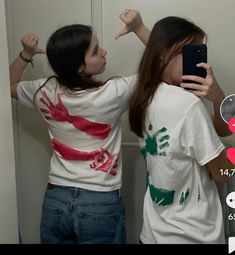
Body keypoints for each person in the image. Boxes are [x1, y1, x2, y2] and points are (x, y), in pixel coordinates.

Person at [9, 9, 150, 244]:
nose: (104, 52)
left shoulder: (44, 90)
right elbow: (165, 63)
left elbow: (8, 85)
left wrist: (26, 54)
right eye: (96, 51)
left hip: (56, 199)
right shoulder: (113, 93)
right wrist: (139, 28)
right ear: (78, 67)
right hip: (100, 202)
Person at [129, 16, 232, 244]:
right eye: (190, 51)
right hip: (192, 235)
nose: (196, 61)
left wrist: (218, 99)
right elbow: (223, 175)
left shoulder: (143, 96)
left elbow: (219, 131)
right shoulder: (187, 105)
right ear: (163, 52)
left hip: (153, 232)